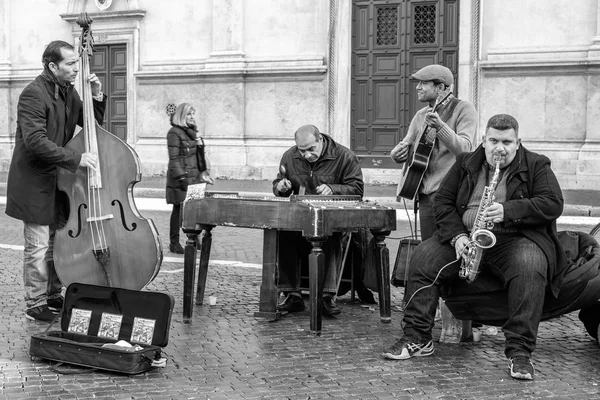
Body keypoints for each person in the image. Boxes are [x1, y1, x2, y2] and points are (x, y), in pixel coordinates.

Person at [383, 114, 567, 381]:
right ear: (484, 140)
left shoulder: (536, 164)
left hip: (515, 238)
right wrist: (457, 236)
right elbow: (443, 202)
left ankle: (519, 352)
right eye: (493, 141)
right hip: (467, 237)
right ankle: (417, 337)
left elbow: (553, 203)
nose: (499, 149)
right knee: (423, 257)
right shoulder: (466, 161)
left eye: (506, 142)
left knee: (530, 266)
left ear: (518, 143)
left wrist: (507, 210)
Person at [5, 40, 106, 322]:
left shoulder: (69, 92)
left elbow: (92, 126)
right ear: (52, 66)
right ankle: (34, 302)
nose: (77, 68)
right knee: (37, 246)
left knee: (56, 243)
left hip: (59, 181)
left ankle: (52, 294)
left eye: (77, 63)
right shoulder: (32, 95)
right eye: (71, 64)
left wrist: (96, 96)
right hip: (34, 181)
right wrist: (76, 159)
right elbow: (36, 141)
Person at [273, 124, 363, 316]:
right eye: (302, 151)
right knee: (284, 234)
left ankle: (327, 296)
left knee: (329, 235)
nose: (306, 155)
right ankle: (291, 294)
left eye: (310, 149)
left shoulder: (344, 156)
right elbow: (279, 183)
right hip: (299, 218)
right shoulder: (290, 156)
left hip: (331, 218)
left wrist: (333, 189)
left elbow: (357, 190)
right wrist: (281, 187)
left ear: (320, 140)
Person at [390, 64, 477, 240]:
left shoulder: (464, 109)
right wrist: (396, 154)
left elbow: (466, 150)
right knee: (429, 247)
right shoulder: (421, 115)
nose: (417, 87)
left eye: (423, 83)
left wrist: (440, 127)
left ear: (441, 87)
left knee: (451, 244)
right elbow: (407, 145)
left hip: (451, 194)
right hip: (425, 195)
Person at [165, 103, 213, 254]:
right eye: (189, 114)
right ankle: (174, 242)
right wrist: (183, 178)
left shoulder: (193, 132)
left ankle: (194, 238)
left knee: (194, 209)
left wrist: (204, 174)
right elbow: (174, 158)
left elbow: (199, 157)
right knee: (178, 209)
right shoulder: (174, 132)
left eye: (193, 113)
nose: (192, 117)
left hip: (195, 176)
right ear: (181, 116)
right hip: (181, 178)